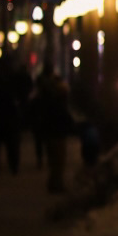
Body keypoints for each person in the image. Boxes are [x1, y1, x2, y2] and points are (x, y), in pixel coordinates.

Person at [40, 66, 74, 194]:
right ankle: (56, 184)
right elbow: (63, 118)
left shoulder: (50, 101)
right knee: (58, 161)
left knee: (55, 161)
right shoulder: (58, 104)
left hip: (52, 132)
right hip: (57, 133)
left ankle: (54, 182)